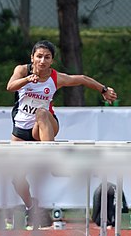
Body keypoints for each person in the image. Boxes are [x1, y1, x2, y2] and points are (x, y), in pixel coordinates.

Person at [7, 40, 117, 217]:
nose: (42, 61)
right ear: (32, 57)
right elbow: (9, 87)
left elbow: (81, 79)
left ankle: (52, 157)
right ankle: (30, 206)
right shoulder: (22, 70)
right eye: (39, 56)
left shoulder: (55, 78)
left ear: (52, 61)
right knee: (16, 178)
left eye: (47, 57)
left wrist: (103, 89)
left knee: (42, 113)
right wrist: (27, 79)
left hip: (45, 125)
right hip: (21, 129)